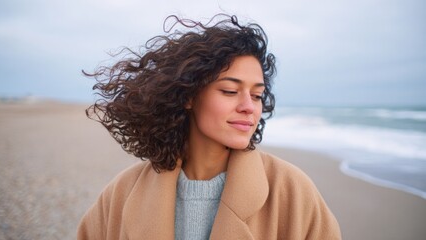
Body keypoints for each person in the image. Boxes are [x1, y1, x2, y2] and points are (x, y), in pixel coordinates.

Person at [77, 14, 341, 240]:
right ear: (189, 95)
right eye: (229, 90)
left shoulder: (292, 192)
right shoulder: (122, 192)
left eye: (257, 95)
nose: (249, 106)